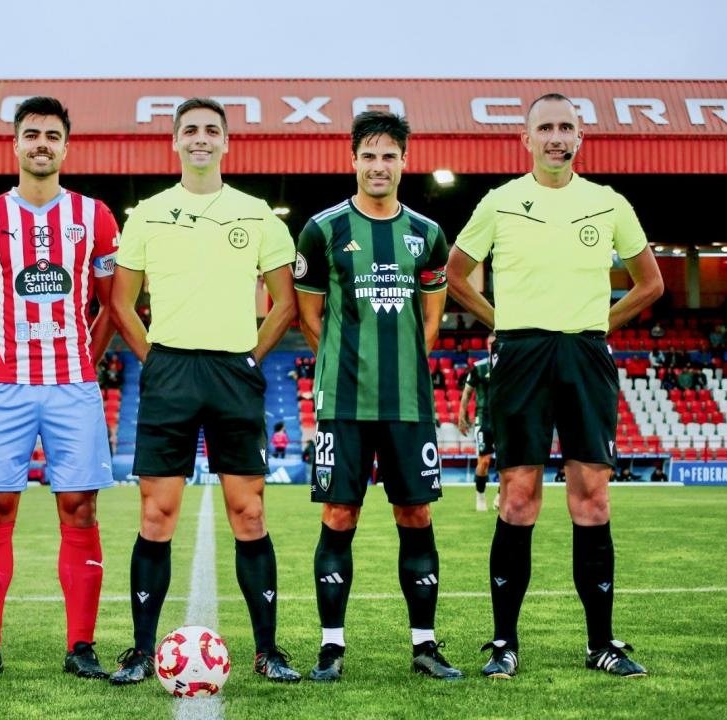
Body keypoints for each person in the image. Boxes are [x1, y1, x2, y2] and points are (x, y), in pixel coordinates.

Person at [446, 93, 663, 679]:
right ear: (526, 138)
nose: (556, 137)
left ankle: (602, 644)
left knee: (592, 492)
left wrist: (598, 326)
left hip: (585, 353)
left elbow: (650, 283)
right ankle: (503, 645)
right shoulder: (501, 202)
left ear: (580, 137)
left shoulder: (608, 203)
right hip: (521, 353)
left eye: (566, 127)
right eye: (546, 127)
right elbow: (455, 274)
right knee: (518, 494)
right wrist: (503, 324)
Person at [109, 97, 301, 685]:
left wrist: (250, 357)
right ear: (175, 141)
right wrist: (156, 360)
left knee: (249, 513)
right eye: (189, 129)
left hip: (232, 374)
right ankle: (142, 651)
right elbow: (121, 302)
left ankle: (268, 651)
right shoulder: (146, 215)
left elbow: (286, 303)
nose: (200, 138)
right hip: (170, 372)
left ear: (225, 143)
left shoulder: (259, 216)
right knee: (156, 514)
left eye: (210, 130)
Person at [0, 97, 119, 683]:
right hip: (5, 385)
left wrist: (85, 359)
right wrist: (0, 346)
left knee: (80, 507)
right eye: (31, 134)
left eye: (51, 135)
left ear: (65, 146)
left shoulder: (94, 216)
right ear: (15, 144)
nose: (41, 143)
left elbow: (112, 304)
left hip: (74, 386)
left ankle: (81, 646)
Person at [294, 111, 462, 683]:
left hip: (408, 404)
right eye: (369, 155)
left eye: (389, 156)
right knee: (340, 515)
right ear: (353, 160)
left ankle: (425, 644)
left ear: (404, 162)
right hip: (342, 403)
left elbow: (432, 320)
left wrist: (398, 361)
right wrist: (348, 359)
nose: (379, 166)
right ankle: (331, 648)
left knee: (414, 514)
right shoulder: (323, 230)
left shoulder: (428, 234)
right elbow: (309, 315)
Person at [459, 332, 497, 511]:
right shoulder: (479, 367)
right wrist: (462, 416)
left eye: (496, 344)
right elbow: (467, 392)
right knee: (484, 461)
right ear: (486, 346)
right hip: (484, 419)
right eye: (490, 344)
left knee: (508, 461)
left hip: (505, 420)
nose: (493, 347)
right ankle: (480, 495)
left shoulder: (509, 366)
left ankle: (500, 496)